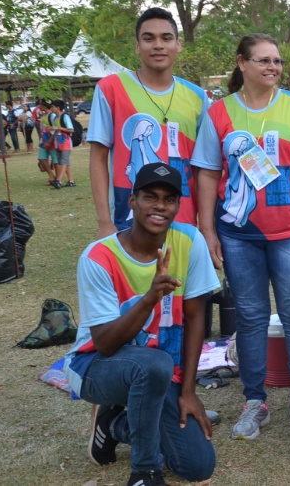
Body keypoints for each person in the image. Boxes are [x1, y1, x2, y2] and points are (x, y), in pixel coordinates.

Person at [192, 34, 290, 439]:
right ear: (242, 63)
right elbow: (207, 172)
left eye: (276, 61)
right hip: (238, 235)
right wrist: (207, 228)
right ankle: (255, 402)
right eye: (263, 61)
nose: (273, 67)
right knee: (251, 318)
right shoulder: (219, 113)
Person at [63, 162, 218, 486]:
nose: (160, 206)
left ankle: (116, 424)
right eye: (150, 196)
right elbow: (105, 343)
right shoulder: (98, 257)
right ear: (132, 201)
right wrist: (149, 297)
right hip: (95, 366)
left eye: (169, 199)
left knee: (197, 466)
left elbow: (195, 317)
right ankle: (144, 472)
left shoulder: (189, 241)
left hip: (159, 371)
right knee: (152, 364)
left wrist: (188, 391)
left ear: (177, 205)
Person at [88, 7, 209, 238]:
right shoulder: (111, 88)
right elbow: (98, 157)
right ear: (137, 46)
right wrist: (104, 221)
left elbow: (204, 168)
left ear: (178, 45)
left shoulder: (198, 97)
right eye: (148, 38)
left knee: (177, 275)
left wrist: (206, 225)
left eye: (166, 38)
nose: (158, 45)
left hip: (183, 220)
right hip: (129, 217)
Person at [50, 99, 77, 188]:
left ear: (57, 108)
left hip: (66, 142)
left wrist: (58, 127)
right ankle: (71, 181)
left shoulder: (65, 117)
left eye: (53, 106)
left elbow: (71, 130)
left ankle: (59, 180)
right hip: (58, 143)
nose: (51, 108)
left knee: (63, 162)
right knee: (65, 162)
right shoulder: (55, 118)